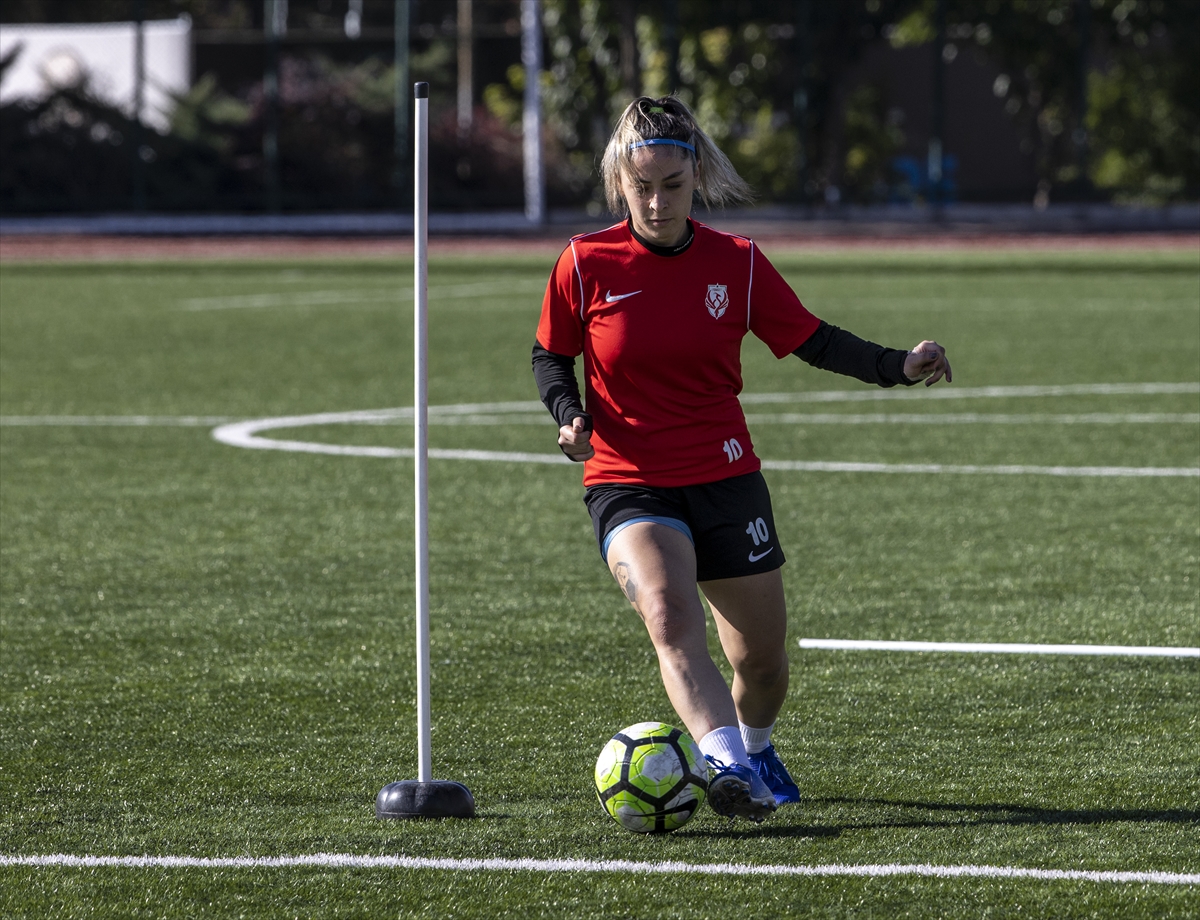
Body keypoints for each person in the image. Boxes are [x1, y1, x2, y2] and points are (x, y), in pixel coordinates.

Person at [532, 96, 951, 823]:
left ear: (697, 178)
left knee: (761, 661)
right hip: (629, 480)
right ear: (618, 184)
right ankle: (723, 764)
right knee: (668, 613)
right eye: (641, 187)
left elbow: (814, 339)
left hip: (726, 477)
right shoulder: (584, 261)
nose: (656, 202)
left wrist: (899, 366)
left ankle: (752, 745)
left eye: (671, 185)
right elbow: (551, 355)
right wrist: (569, 417)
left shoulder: (739, 263)